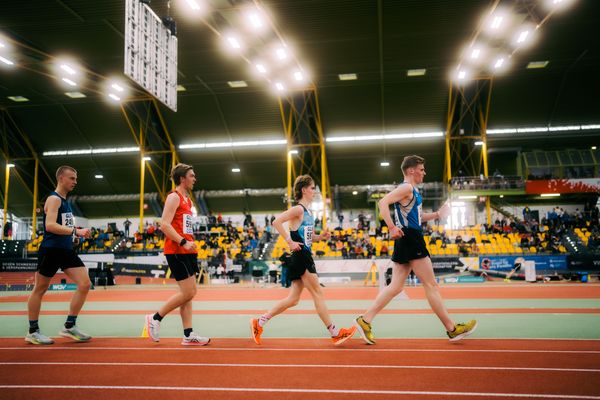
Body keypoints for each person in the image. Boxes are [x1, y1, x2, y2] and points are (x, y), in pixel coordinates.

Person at [354, 155, 477, 344]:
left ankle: (365, 320)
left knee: (395, 286)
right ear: (411, 170)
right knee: (431, 285)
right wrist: (392, 227)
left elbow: (417, 218)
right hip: (411, 238)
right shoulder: (406, 188)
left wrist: (437, 214)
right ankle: (452, 329)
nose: (424, 172)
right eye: (421, 169)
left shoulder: (413, 192)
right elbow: (382, 203)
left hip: (407, 238)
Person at [251, 175, 356, 346]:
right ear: (304, 190)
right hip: (301, 256)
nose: (314, 191)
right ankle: (335, 332)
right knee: (318, 293)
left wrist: (320, 236)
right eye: (313, 188)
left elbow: (308, 238)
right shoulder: (298, 209)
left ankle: (259, 322)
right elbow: (276, 221)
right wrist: (289, 241)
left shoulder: (308, 213)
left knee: (293, 299)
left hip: (303, 253)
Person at [26, 166, 92, 345]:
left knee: (85, 283)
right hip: (51, 249)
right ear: (61, 178)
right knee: (40, 288)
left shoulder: (66, 201)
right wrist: (76, 231)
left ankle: (69, 326)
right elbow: (50, 226)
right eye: (72, 178)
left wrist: (72, 237)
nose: (75, 182)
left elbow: (61, 227)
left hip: (65, 250)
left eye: (75, 179)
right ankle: (33, 331)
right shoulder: (54, 199)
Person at [145, 163, 210, 346]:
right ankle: (155, 317)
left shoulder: (188, 200)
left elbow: (182, 225)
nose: (195, 178)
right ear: (182, 178)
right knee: (190, 291)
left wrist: (190, 241)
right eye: (192, 175)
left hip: (188, 250)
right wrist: (183, 241)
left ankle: (188, 334)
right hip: (176, 250)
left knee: (187, 294)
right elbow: (164, 225)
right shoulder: (174, 197)